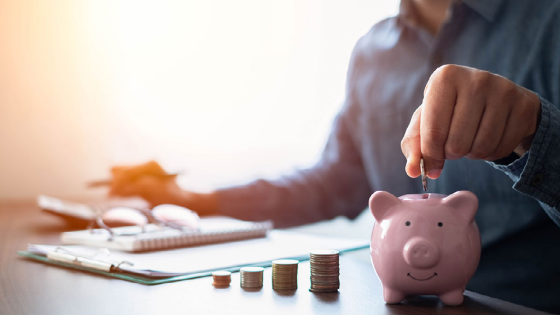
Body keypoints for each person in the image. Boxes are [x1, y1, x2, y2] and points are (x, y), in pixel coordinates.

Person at [109, 0, 560, 312]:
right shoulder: (371, 52)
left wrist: (531, 133)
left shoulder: (550, 22)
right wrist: (195, 199)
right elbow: (333, 183)